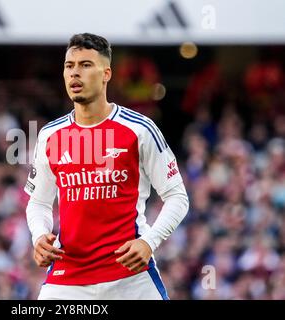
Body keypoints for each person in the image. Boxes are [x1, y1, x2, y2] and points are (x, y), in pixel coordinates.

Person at [24, 33, 189, 300]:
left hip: (130, 278)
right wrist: (39, 236)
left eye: (86, 65)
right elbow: (39, 203)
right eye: (69, 66)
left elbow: (177, 196)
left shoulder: (139, 129)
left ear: (106, 74)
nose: (75, 73)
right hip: (68, 279)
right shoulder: (49, 135)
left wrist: (149, 242)